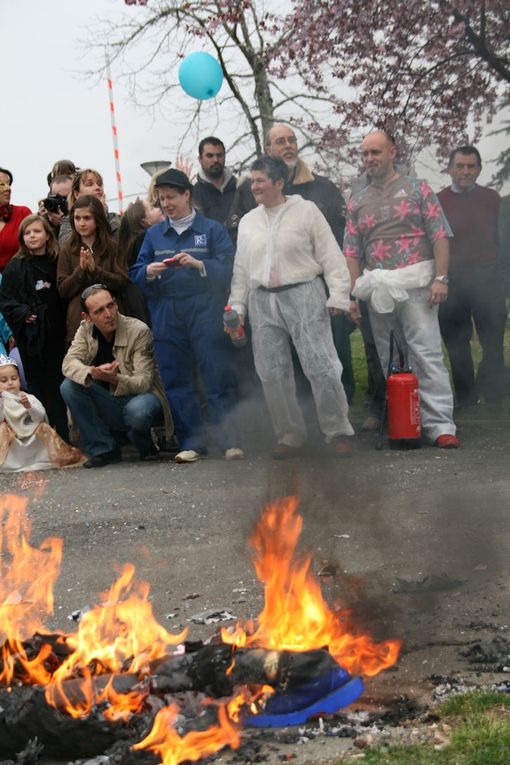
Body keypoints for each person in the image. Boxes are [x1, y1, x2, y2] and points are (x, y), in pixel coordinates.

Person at [228, 155, 354, 458]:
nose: (254, 186)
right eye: (252, 180)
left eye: (260, 180)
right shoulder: (248, 221)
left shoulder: (306, 211)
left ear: (279, 182)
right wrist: (236, 306)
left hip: (304, 293)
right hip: (262, 300)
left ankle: (338, 430)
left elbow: (331, 255)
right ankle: (290, 433)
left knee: (321, 365)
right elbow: (241, 270)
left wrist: (338, 294)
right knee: (271, 371)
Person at [344, 130, 458, 448]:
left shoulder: (417, 189)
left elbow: (440, 235)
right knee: (390, 359)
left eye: (375, 152)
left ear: (392, 152)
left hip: (418, 285)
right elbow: (351, 251)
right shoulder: (357, 199)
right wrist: (353, 296)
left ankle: (440, 425)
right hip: (378, 289)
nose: (369, 159)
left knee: (426, 354)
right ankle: (406, 423)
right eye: (365, 153)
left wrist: (441, 278)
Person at [129, 168, 243, 463]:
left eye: (171, 197)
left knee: (215, 372)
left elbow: (229, 269)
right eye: (161, 199)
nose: (166, 204)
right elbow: (136, 274)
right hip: (167, 310)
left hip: (205, 308)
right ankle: (192, 442)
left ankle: (230, 440)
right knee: (177, 378)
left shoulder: (212, 230)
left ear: (187, 194)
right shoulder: (153, 235)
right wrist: (149, 272)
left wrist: (199, 265)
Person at [61, 285, 172, 468]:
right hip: (112, 401)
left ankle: (145, 445)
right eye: (99, 311)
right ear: (87, 318)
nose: (108, 314)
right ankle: (104, 449)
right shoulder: (85, 330)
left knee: (136, 410)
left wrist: (114, 378)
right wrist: (91, 372)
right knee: (69, 387)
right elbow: (68, 363)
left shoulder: (138, 330)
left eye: (110, 305)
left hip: (143, 398)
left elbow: (144, 382)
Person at [438, 146, 506, 409]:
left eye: (471, 166)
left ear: (479, 168)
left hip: (487, 279)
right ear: (450, 169)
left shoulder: (493, 199)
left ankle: (494, 395)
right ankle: (466, 398)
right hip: (452, 280)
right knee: (456, 344)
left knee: (493, 340)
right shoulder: (438, 200)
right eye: (460, 166)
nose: (465, 171)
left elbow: (502, 239)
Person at [0, 215, 69, 440]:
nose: (32, 236)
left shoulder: (57, 260)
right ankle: (43, 437)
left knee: (57, 384)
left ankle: (64, 436)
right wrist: (23, 313)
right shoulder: (15, 266)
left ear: (47, 234)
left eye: (37, 231)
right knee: (37, 387)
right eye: (27, 233)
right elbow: (6, 300)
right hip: (30, 339)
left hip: (56, 334)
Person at [57, 195, 129, 346]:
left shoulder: (112, 247)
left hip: (113, 322)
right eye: (77, 218)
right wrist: (80, 271)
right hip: (80, 323)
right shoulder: (67, 250)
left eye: (87, 218)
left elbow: (123, 282)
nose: (81, 223)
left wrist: (96, 271)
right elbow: (63, 290)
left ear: (98, 220)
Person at [0, 355, 83, 472]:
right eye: (3, 381)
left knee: (44, 428)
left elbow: (39, 417)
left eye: (14, 378)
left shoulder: (28, 397)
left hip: (32, 433)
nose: (10, 383)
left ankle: (43, 458)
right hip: (12, 437)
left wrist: (28, 406)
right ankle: (10, 462)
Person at [59, 168, 121, 245]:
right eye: (90, 184)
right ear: (76, 194)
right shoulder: (67, 221)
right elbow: (69, 248)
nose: (97, 188)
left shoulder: (114, 218)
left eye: (100, 184)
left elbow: (116, 247)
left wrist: (100, 213)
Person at [193, 137, 237, 224]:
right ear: (200, 159)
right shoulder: (194, 195)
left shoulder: (240, 188)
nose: (215, 160)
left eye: (219, 155)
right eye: (210, 156)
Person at [0, 168, 32, 273]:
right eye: (2, 184)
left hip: (19, 281)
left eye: (9, 184)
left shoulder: (22, 213)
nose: (8, 189)